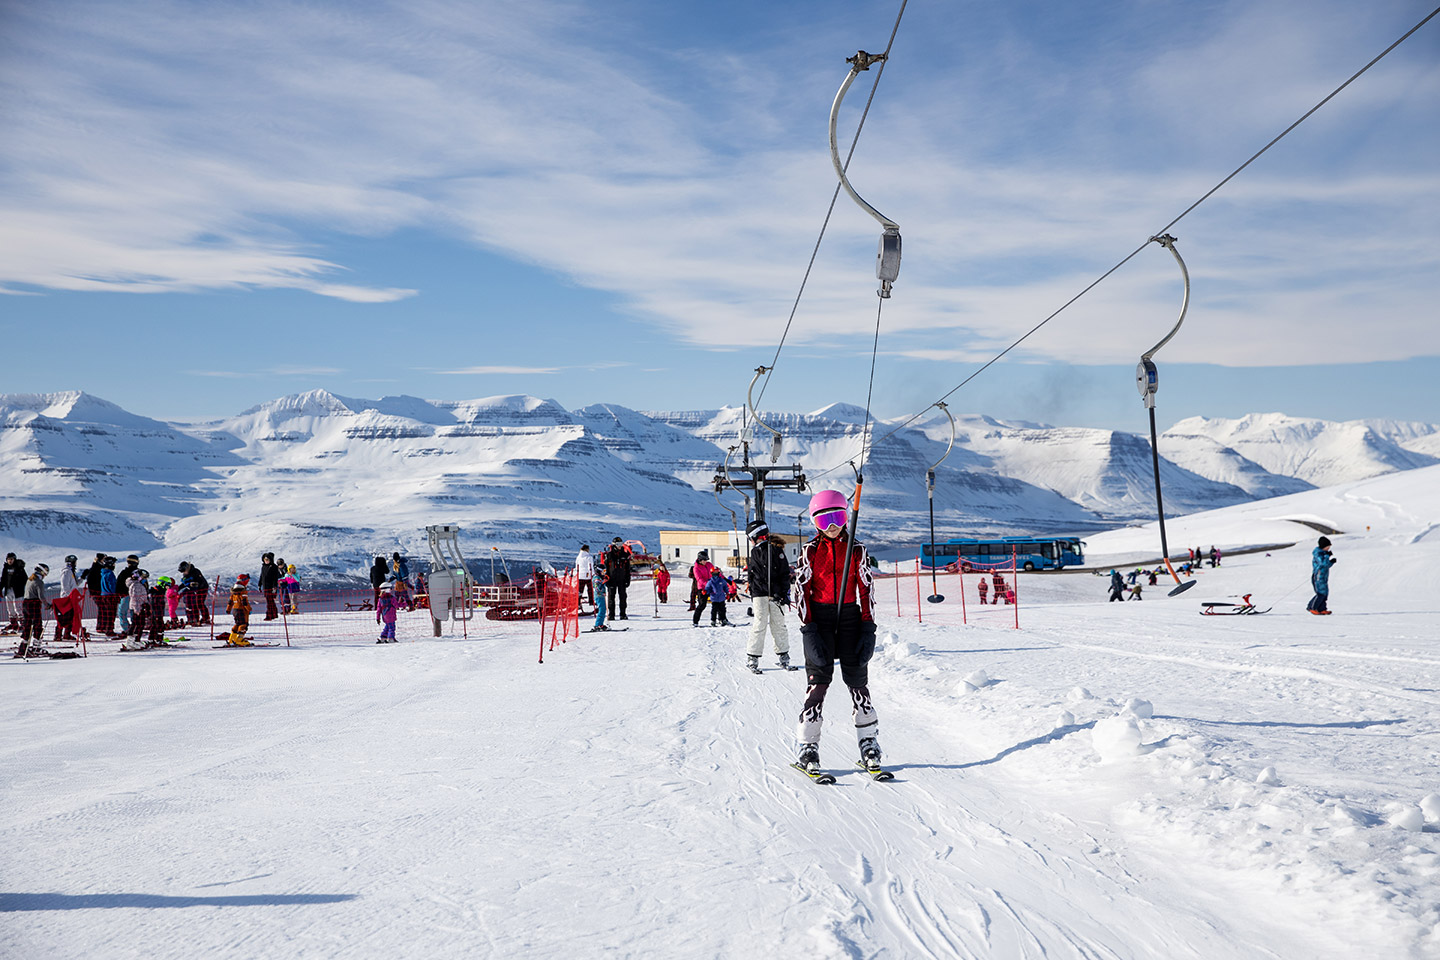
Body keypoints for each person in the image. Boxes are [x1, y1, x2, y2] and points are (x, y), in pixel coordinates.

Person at [794, 489, 882, 775]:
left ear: (847, 517)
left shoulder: (857, 550)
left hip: (849, 619)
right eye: (824, 520)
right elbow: (801, 592)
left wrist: (868, 628)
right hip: (819, 619)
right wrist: (808, 629)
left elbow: (866, 590)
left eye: (838, 517)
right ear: (814, 523)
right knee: (819, 681)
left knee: (858, 681)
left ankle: (869, 742)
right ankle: (808, 746)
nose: (832, 526)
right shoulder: (810, 552)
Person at [745, 518, 792, 671]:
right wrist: (753, 591)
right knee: (760, 623)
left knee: (778, 624)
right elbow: (753, 575)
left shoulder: (775, 550)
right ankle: (753, 657)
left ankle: (783, 655)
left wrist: (784, 593)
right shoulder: (755, 551)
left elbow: (785, 574)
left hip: (775, 594)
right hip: (760, 593)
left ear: (754, 536)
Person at [15, 563, 50, 657]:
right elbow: (41, 596)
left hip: (25, 604)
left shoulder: (30, 579)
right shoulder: (39, 582)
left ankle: (23, 648)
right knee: (38, 626)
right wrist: (47, 605)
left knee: (27, 626)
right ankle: (36, 648)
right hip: (34, 604)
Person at [52, 556, 84, 642]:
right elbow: (65, 586)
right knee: (64, 616)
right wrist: (69, 595)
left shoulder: (71, 572)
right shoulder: (66, 572)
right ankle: (58, 635)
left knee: (71, 616)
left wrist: (82, 578)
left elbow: (75, 584)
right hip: (67, 598)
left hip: (72, 598)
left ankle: (67, 634)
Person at [603, 538, 631, 621]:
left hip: (622, 579)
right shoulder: (609, 555)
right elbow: (606, 568)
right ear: (614, 545)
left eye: (621, 544)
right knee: (611, 597)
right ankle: (611, 615)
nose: (620, 546)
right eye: (618, 544)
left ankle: (623, 614)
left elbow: (628, 569)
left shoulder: (625, 555)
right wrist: (606, 579)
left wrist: (628, 579)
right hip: (612, 579)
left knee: (623, 597)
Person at [1307, 536, 1337, 615]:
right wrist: (1327, 556)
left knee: (1325, 593)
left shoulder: (1323, 553)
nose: (1328, 548)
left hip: (1323, 576)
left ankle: (1322, 608)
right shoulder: (1318, 554)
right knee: (1320, 593)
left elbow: (1326, 565)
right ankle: (1312, 607)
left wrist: (1332, 562)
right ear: (1323, 546)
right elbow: (1322, 563)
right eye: (1327, 547)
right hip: (1318, 576)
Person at [221, 574, 252, 646]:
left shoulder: (234, 592)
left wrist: (228, 609)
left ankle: (232, 639)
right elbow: (245, 603)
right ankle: (239, 639)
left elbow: (230, 602)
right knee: (243, 624)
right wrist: (249, 609)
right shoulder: (242, 592)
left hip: (235, 610)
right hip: (242, 610)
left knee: (237, 624)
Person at [177, 561, 211, 626]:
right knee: (194, 603)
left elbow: (198, 583)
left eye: (183, 571)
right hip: (194, 590)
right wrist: (178, 589)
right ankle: (196, 619)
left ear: (187, 568)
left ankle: (206, 618)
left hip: (202, 589)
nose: (183, 573)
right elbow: (186, 583)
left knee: (200, 603)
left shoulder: (195, 572)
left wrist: (194, 587)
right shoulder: (186, 574)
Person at [691, 550, 718, 627]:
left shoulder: (709, 565)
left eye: (706, 560)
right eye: (704, 560)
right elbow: (699, 579)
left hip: (712, 586)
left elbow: (715, 572)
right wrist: (708, 584)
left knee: (718, 603)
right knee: (702, 605)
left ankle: (720, 619)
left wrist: (724, 580)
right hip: (703, 588)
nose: (706, 561)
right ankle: (695, 621)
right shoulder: (696, 568)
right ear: (700, 560)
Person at [116, 555, 141, 633]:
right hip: (136, 596)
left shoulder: (124, 572)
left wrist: (118, 594)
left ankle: (127, 629)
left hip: (125, 595)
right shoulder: (139, 573)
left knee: (122, 613)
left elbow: (118, 584)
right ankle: (135, 628)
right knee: (135, 613)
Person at [3, 553, 27, 629]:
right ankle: (13, 623)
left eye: (11, 559)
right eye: (8, 559)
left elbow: (25, 579)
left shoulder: (19, 568)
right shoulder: (5, 568)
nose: (10, 561)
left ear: (14, 559)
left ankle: (23, 623)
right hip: (8, 590)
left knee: (18, 607)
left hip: (18, 591)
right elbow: (3, 579)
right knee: (10, 607)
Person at [590, 553, 610, 632]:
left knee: (603, 610)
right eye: (603, 571)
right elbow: (597, 587)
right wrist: (602, 592)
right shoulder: (596, 578)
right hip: (599, 596)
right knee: (601, 610)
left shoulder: (600, 578)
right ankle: (597, 625)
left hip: (601, 596)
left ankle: (600, 624)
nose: (604, 573)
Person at [259, 552, 280, 620]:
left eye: (267, 559)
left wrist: (274, 586)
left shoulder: (274, 567)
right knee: (270, 601)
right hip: (265, 587)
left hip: (271, 587)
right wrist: (259, 584)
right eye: (265, 560)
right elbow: (262, 576)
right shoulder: (263, 567)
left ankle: (269, 615)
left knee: (270, 601)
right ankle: (274, 614)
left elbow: (275, 578)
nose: (266, 561)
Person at [575, 545, 595, 609]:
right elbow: (591, 567)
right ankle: (591, 601)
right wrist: (593, 574)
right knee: (590, 589)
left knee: (580, 590)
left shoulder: (578, 557)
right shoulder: (589, 557)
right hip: (588, 575)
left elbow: (576, 566)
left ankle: (578, 602)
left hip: (580, 575)